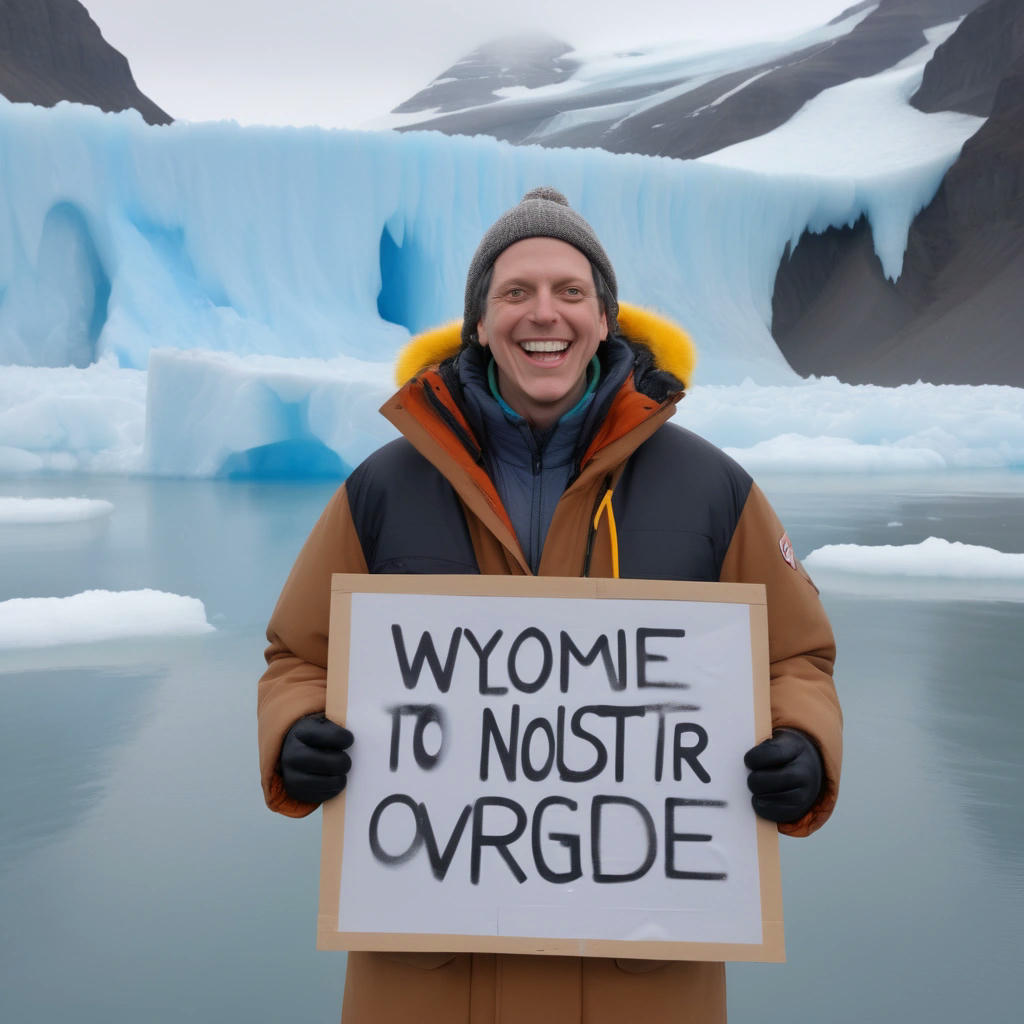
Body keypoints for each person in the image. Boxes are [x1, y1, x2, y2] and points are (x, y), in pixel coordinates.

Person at [257, 187, 842, 1024]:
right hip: (428, 976)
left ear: (606, 319)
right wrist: (294, 732)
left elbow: (796, 656)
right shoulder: (383, 489)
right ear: (481, 322)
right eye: (516, 292)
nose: (546, 315)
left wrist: (805, 744)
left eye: (571, 292)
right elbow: (299, 656)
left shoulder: (713, 489)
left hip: (641, 977)